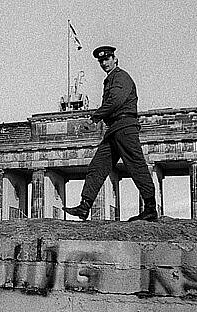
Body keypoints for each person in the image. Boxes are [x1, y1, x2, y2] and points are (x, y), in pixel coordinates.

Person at [63, 46, 158, 222]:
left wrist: (94, 119)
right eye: (101, 61)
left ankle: (151, 209)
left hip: (125, 127)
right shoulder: (110, 79)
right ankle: (84, 206)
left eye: (107, 59)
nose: (104, 63)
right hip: (113, 129)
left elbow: (115, 101)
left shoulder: (121, 77)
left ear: (115, 59)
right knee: (97, 166)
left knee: (136, 166)